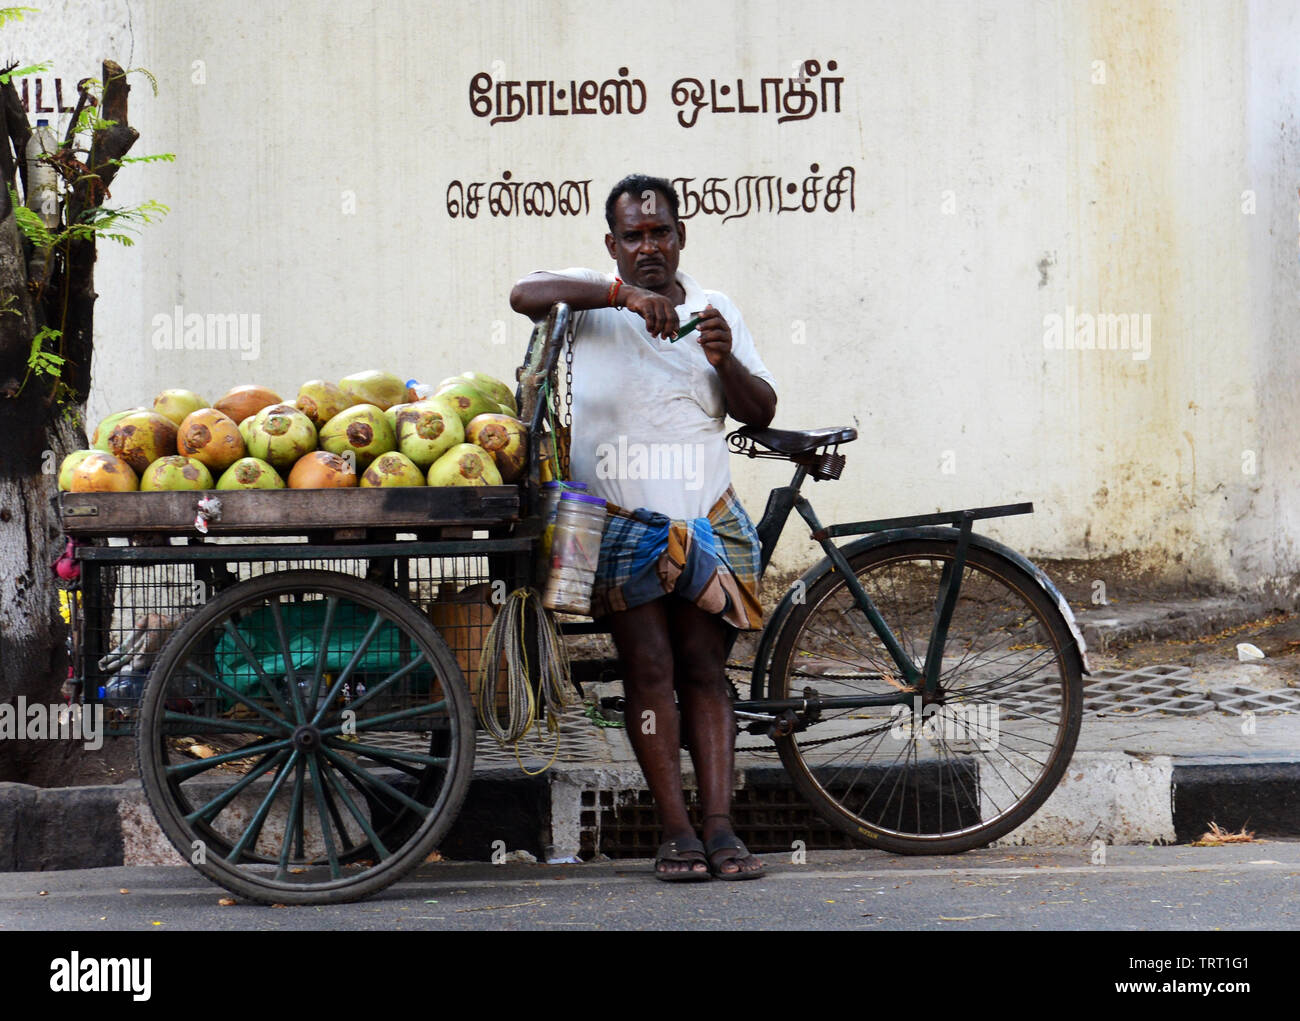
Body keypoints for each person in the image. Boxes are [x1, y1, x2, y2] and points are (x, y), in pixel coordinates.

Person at [510, 174, 778, 881]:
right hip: (620, 528)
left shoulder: (718, 310)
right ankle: (676, 831)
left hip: (706, 521)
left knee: (705, 673)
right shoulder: (589, 307)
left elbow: (761, 409)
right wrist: (622, 294)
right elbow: (523, 291)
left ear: (681, 236)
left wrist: (725, 360)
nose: (649, 245)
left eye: (661, 232)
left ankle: (722, 827)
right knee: (649, 672)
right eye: (634, 234)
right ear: (613, 244)